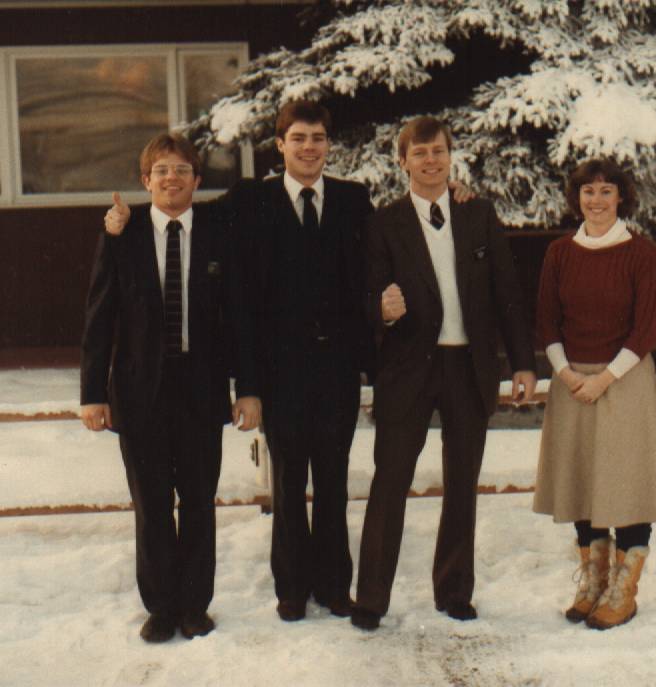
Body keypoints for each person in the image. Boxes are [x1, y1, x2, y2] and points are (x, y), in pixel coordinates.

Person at [103, 102, 474, 623]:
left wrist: (452, 196)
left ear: (327, 146)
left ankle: (333, 585)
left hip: (337, 370)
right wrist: (126, 222)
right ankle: (291, 588)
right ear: (280, 146)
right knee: (288, 482)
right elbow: (181, 210)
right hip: (280, 371)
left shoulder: (351, 199)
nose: (309, 147)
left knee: (333, 480)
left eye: (318, 139)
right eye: (298, 138)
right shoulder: (252, 199)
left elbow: (398, 236)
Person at [350, 116, 537, 631]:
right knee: (390, 482)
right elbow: (365, 296)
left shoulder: (477, 214)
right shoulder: (384, 223)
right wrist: (380, 310)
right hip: (409, 369)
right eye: (420, 153)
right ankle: (370, 597)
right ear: (403, 161)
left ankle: (454, 589)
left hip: (467, 366)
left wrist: (523, 361)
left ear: (451, 156)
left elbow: (507, 294)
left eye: (438, 152)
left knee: (461, 482)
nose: (430, 161)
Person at [80, 133, 261, 643]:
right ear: (145, 181)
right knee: (152, 502)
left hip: (201, 390)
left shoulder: (220, 230)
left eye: (182, 170)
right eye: (161, 171)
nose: (172, 179)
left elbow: (241, 318)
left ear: (197, 181)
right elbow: (100, 316)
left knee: (199, 501)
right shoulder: (124, 232)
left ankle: (194, 607)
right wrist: (92, 392)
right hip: (140, 392)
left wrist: (248, 388)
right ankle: (161, 607)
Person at [533, 158, 656, 630]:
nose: (596, 200)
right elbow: (547, 321)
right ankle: (593, 582)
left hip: (623, 381)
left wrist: (604, 378)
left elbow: (649, 325)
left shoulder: (642, 253)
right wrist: (567, 375)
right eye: (588, 192)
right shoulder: (559, 253)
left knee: (625, 484)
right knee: (584, 482)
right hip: (572, 381)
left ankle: (623, 592)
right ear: (577, 199)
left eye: (606, 191)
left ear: (621, 198)